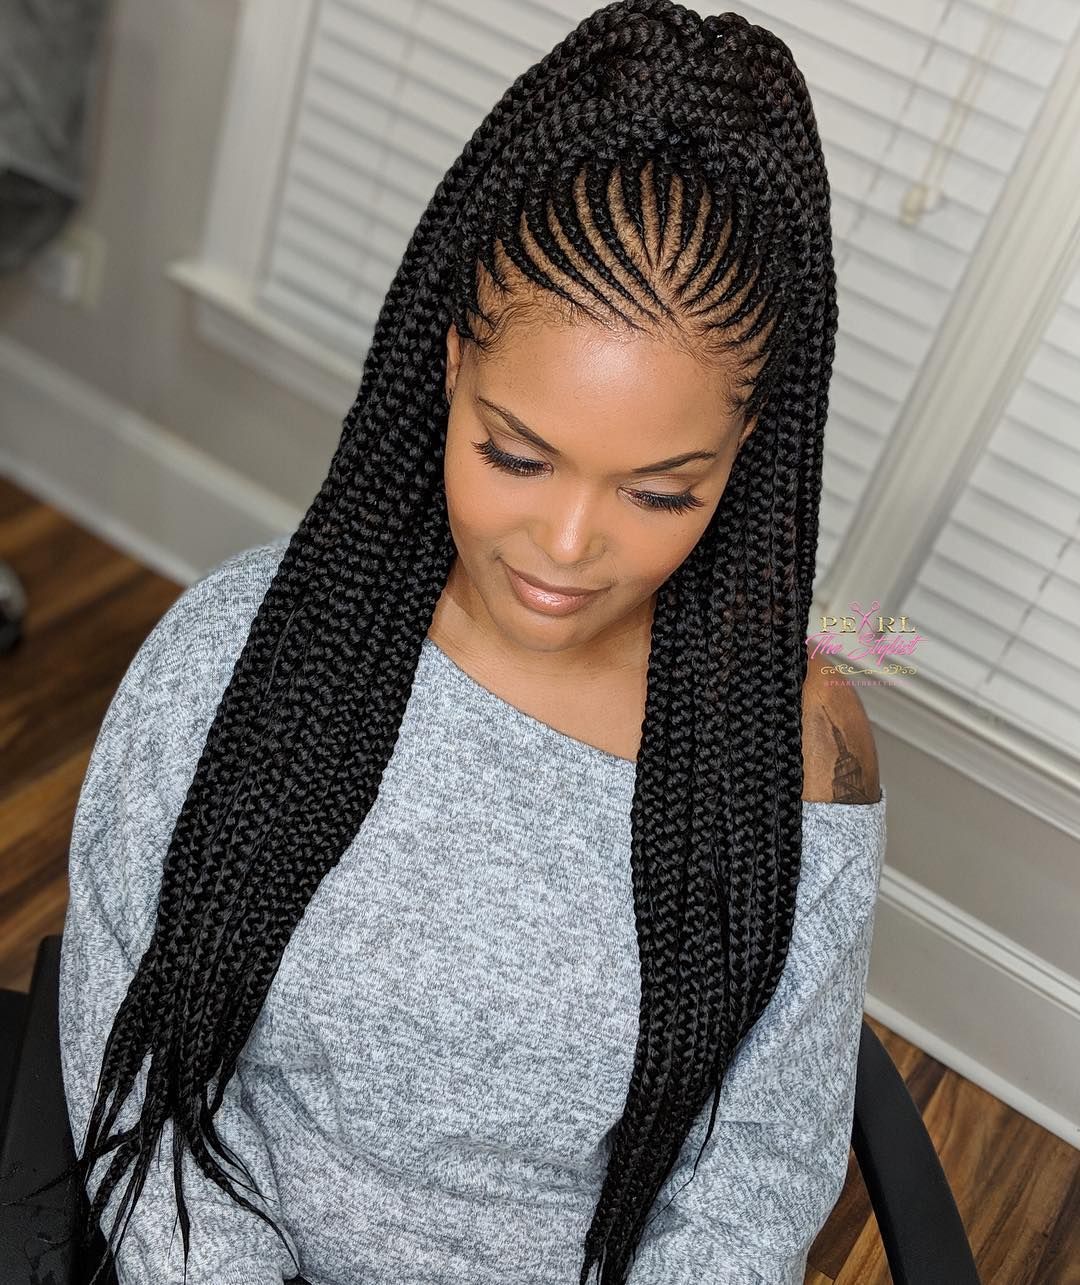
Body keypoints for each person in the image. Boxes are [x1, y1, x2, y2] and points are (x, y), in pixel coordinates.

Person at [36, 2, 887, 1282]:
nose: (567, 546)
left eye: (662, 492)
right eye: (515, 455)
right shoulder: (234, 657)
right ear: (448, 368)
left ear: (744, 453)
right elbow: (141, 1067)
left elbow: (754, 1179)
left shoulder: (797, 751)